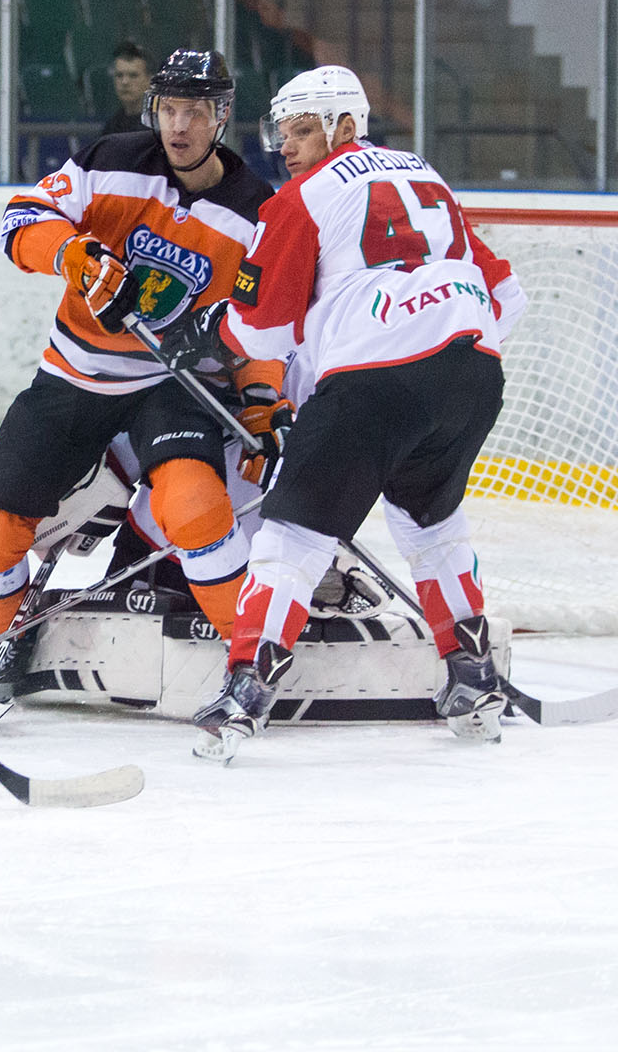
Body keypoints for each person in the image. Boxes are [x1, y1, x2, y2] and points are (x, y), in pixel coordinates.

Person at [174, 65, 527, 761]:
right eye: (282, 132)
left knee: (291, 536)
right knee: (432, 523)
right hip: (473, 373)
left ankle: (246, 691)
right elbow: (507, 296)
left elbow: (262, 334)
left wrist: (219, 327)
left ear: (344, 126)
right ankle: (473, 678)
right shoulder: (424, 174)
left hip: (375, 381)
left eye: (303, 130)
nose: (287, 146)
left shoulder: (303, 196)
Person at [0, 49, 279, 705]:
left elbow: (263, 321)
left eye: (195, 112)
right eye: (169, 109)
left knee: (195, 508)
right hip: (75, 375)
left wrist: (263, 397)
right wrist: (72, 254)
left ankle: (248, 662)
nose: (178, 126)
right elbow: (20, 219)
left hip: (173, 386)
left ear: (222, 116)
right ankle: (0, 643)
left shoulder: (255, 210)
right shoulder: (112, 160)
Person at [99, 41, 151, 136]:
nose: (125, 82)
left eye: (133, 75)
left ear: (149, 80)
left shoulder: (160, 126)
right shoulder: (111, 127)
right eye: (119, 75)